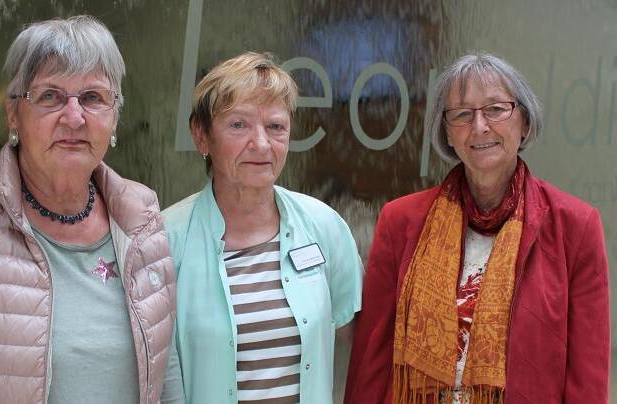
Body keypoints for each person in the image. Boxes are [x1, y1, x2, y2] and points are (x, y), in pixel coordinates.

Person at [0, 16, 183, 404]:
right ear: (14, 113)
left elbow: (167, 378)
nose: (74, 116)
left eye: (93, 98)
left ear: (114, 116)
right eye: (50, 96)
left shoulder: (142, 216)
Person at [345, 53, 610, 404]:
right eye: (462, 114)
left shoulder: (575, 226)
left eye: (496, 110)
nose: (480, 126)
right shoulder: (400, 221)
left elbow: (587, 371)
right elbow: (371, 359)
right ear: (447, 133)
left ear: (525, 123)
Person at [162, 51, 363, 403]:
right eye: (238, 125)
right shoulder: (164, 239)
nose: (261, 143)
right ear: (201, 136)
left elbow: (368, 343)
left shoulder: (323, 226)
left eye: (275, 126)